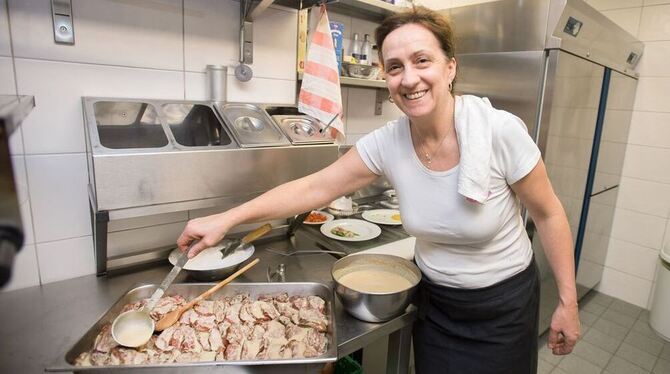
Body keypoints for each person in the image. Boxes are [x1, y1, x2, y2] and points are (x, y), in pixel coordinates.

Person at [177, 6, 580, 374]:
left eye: (422, 60)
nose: (409, 78)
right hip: (436, 304)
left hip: (503, 308)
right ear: (386, 78)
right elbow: (315, 187)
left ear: (450, 67)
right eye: (394, 66)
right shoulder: (388, 143)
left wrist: (567, 301)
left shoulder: (498, 131)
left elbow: (548, 213)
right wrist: (225, 220)